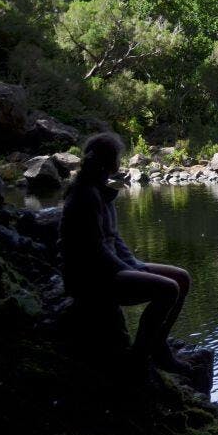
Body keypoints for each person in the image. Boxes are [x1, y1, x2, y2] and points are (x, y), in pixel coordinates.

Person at [59, 132, 192, 373]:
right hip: (91, 278)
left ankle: (159, 347)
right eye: (118, 156)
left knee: (181, 278)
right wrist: (129, 268)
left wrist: (133, 264)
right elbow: (95, 249)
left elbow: (115, 239)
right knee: (168, 289)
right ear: (109, 161)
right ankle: (139, 358)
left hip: (112, 267)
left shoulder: (99, 191)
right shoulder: (85, 195)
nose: (120, 161)